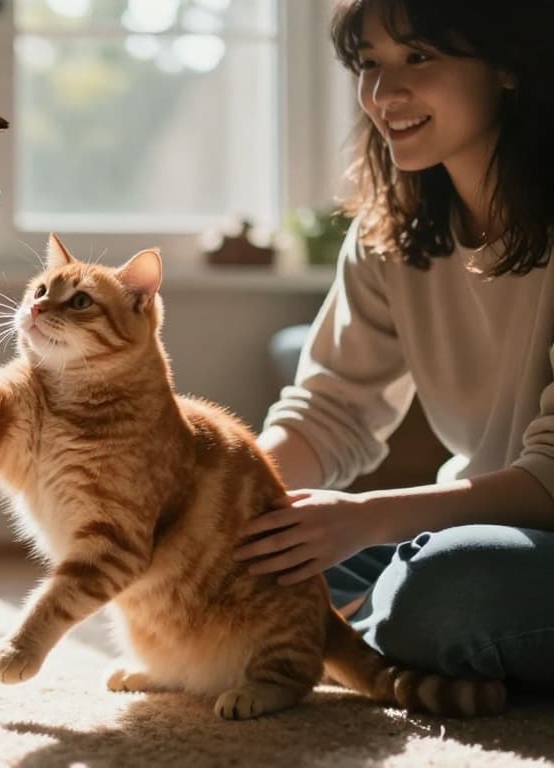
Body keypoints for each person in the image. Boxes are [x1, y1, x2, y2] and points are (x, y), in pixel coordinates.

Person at [234, 0, 554, 690]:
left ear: (505, 65)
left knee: (443, 594)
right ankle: (372, 638)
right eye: (369, 64)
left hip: (498, 552)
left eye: (419, 58)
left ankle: (360, 638)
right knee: (258, 558)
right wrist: (224, 503)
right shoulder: (392, 233)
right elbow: (330, 411)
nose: (384, 94)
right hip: (469, 534)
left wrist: (364, 517)